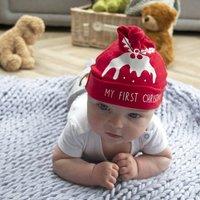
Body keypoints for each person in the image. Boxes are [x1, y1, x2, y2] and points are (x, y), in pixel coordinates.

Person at [52, 25, 172, 190]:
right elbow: (60, 161)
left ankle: (92, 75)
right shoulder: (79, 126)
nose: (116, 124)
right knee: (80, 81)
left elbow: (163, 158)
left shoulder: (150, 130)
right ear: (91, 99)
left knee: (94, 76)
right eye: (103, 107)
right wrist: (92, 173)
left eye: (133, 115)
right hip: (80, 94)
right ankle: (87, 73)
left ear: (152, 113)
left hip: (98, 88)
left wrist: (138, 166)